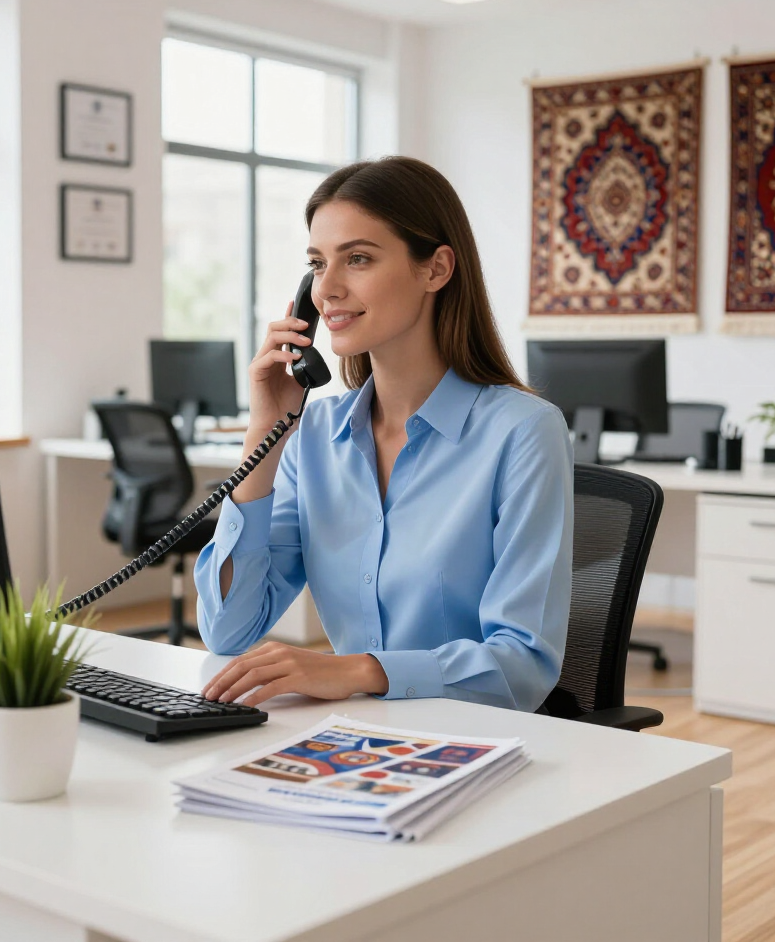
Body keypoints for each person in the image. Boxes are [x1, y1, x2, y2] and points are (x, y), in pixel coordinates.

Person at [195, 156, 573, 712]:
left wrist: (358, 671)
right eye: (317, 265)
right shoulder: (314, 433)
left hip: (476, 739)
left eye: (359, 259)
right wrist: (264, 435)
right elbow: (228, 630)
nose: (327, 290)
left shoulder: (523, 432)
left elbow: (523, 665)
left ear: (436, 269)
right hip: (358, 738)